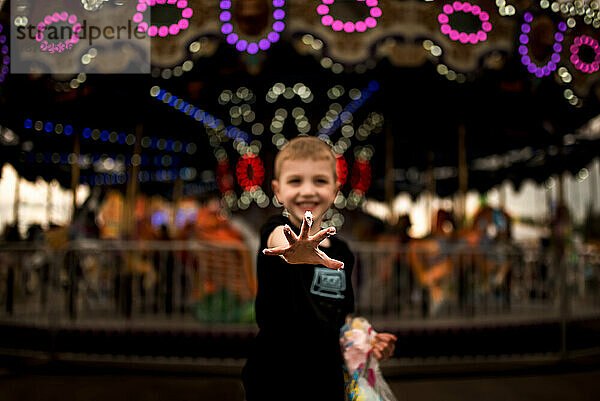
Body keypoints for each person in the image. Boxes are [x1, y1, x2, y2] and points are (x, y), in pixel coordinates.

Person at [242, 137, 396, 401]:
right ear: (278, 191)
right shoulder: (275, 230)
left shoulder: (342, 252)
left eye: (320, 181)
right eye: (295, 181)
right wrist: (294, 249)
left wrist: (367, 339)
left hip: (327, 379)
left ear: (335, 191)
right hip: (274, 378)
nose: (308, 191)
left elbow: (341, 315)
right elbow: (279, 239)